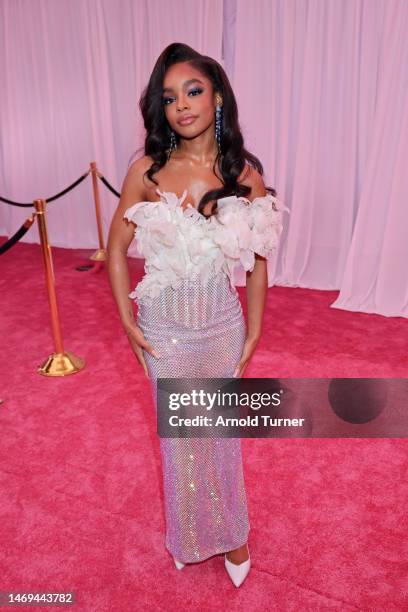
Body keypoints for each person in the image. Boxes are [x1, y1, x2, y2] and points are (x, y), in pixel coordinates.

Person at [107, 42, 289, 588]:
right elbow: (115, 248)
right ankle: (189, 533)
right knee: (180, 441)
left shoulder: (244, 173)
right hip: (164, 330)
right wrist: (127, 323)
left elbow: (257, 262)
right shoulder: (147, 171)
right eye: (168, 98)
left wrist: (255, 330)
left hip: (220, 327)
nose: (181, 106)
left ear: (216, 99)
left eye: (193, 91)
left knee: (220, 437)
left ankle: (235, 534)